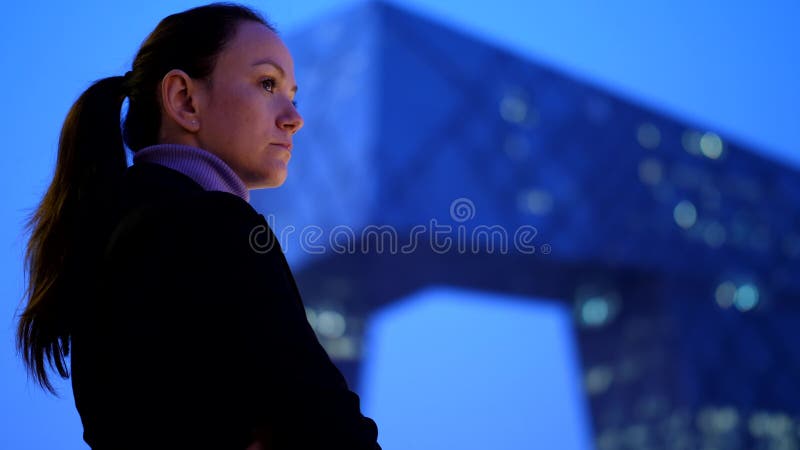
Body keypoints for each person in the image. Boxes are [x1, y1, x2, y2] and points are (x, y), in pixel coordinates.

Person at [15, 3, 381, 449]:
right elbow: (327, 422)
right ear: (185, 100)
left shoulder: (107, 234)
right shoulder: (219, 225)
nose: (294, 117)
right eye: (267, 84)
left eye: (294, 94)